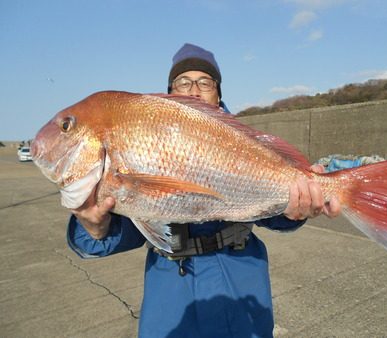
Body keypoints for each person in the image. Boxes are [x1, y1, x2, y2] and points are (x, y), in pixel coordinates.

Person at [68, 43, 341, 338]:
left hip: (241, 279)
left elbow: (270, 214)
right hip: (171, 290)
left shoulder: (241, 140)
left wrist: (295, 210)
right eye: (183, 82)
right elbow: (131, 227)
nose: (194, 90)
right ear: (169, 93)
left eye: (205, 82)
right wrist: (95, 227)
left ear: (218, 93)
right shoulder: (147, 143)